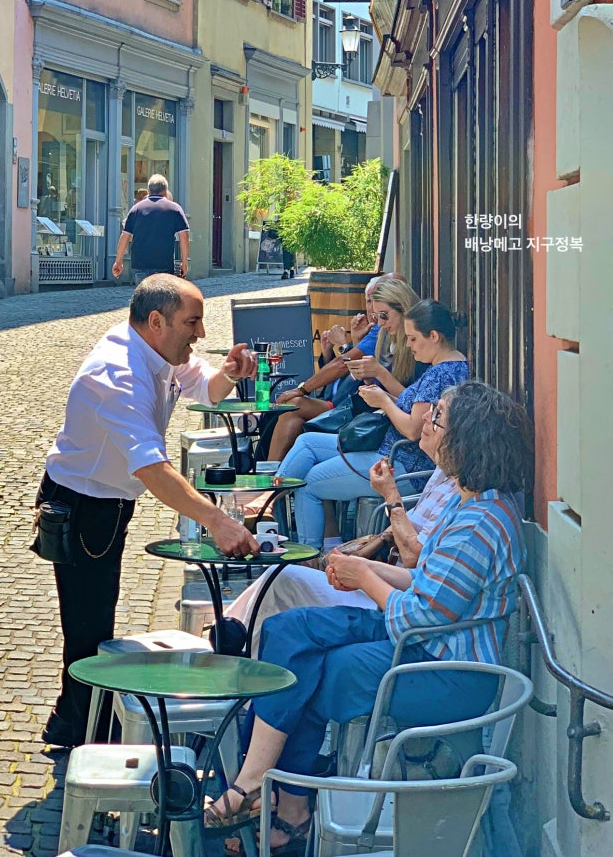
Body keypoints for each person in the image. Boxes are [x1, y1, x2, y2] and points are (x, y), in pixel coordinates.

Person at [204, 380, 532, 849]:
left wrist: (365, 579)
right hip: (426, 647)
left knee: (314, 668)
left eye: (437, 417)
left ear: (468, 438)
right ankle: (275, 795)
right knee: (287, 632)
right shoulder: (473, 503)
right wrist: (366, 568)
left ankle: (269, 792)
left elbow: (416, 616)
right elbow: (426, 581)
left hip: (447, 672)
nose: (426, 422)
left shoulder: (481, 521)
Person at [36, 274, 259, 748]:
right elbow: (153, 470)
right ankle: (88, 734)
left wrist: (230, 374)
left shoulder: (158, 350)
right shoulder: (117, 373)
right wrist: (215, 519)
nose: (201, 334)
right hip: (82, 504)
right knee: (88, 624)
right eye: (193, 322)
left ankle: (76, 722)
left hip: (107, 500)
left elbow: (205, 388)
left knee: (95, 617)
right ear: (156, 321)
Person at [226, 442, 459, 652]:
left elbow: (414, 561)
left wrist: (390, 496)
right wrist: (361, 564)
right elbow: (414, 562)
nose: (428, 416)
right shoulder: (444, 473)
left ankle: (230, 652)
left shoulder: (469, 504)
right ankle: (228, 642)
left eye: (437, 414)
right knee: (278, 582)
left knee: (283, 580)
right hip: (390, 585)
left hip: (390, 605)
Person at [279, 298, 467, 550]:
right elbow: (414, 409)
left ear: (433, 336)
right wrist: (384, 398)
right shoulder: (449, 367)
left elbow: (413, 430)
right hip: (392, 453)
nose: (408, 345)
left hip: (402, 463)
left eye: (412, 339)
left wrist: (384, 401)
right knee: (306, 442)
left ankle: (307, 556)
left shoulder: (440, 373)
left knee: (309, 483)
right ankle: (268, 503)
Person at [269, 275, 414, 460]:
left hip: (363, 410)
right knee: (290, 417)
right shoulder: (380, 331)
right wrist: (338, 349)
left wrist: (302, 388)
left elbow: (343, 365)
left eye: (382, 312)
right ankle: (269, 476)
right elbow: (354, 369)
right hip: (351, 402)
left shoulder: (392, 335)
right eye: (368, 301)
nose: (373, 312)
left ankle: (270, 478)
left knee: (293, 408)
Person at [112, 174, 189, 281]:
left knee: (143, 296)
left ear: (149, 190)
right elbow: (184, 236)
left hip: (139, 265)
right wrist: (184, 262)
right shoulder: (175, 209)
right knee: (162, 297)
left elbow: (125, 236)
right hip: (164, 264)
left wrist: (118, 261)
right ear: (165, 191)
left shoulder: (136, 209)